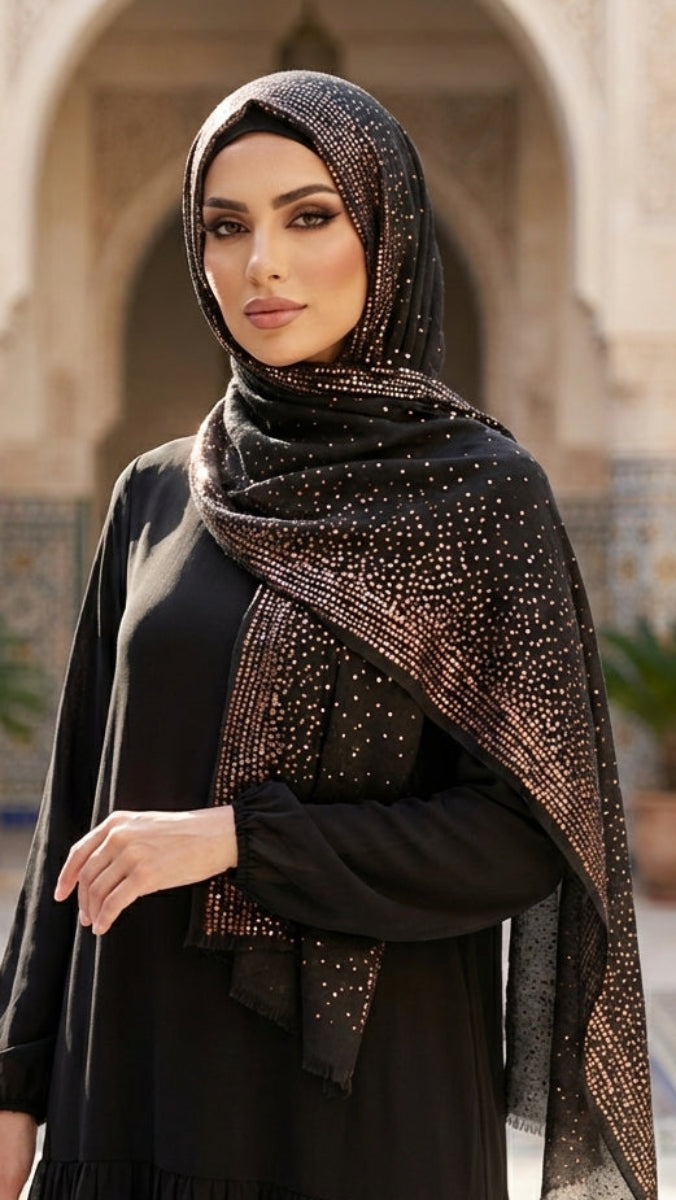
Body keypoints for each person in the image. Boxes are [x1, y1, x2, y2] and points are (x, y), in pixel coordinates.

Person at [0, 70, 656, 1200]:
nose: (262, 264)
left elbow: (526, 838)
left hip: (365, 1119)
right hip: (134, 1082)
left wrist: (241, 841)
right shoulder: (156, 494)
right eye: (225, 225)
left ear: (387, 229)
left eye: (310, 216)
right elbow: (76, 811)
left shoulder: (481, 499)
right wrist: (14, 1085)